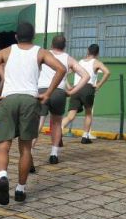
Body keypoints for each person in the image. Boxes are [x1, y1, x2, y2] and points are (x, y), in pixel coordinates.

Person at [0, 22, 66, 205]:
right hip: (29, 100)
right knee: (25, 148)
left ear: (16, 36)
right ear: (33, 36)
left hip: (8, 99)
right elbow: (61, 69)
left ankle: (3, 176)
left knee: (3, 145)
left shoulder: (6, 52)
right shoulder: (40, 52)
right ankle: (20, 189)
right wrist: (48, 93)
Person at [31, 36, 89, 166]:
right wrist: (72, 91)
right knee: (56, 124)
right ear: (64, 46)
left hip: (42, 91)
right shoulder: (68, 59)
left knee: (38, 124)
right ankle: (54, 154)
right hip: (59, 92)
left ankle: (29, 153)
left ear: (51, 45)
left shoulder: (43, 54)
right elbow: (86, 75)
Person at [61, 44, 111, 144]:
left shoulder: (79, 62)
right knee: (88, 113)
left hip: (76, 88)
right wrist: (98, 85)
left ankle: (58, 132)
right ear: (97, 53)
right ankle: (85, 136)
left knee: (70, 115)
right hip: (88, 88)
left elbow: (65, 73)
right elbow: (107, 72)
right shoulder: (96, 62)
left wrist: (68, 86)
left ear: (87, 51)